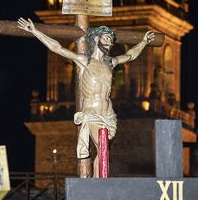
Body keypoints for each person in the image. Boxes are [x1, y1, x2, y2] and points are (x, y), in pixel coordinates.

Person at [16, 17, 155, 163]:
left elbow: (130, 55)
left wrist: (144, 41)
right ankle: (96, 185)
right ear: (95, 39)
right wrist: (35, 31)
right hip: (92, 113)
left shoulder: (110, 63)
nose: (109, 43)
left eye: (110, 40)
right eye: (106, 38)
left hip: (109, 115)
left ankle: (96, 183)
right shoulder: (85, 61)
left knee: (103, 154)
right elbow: (57, 48)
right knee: (103, 151)